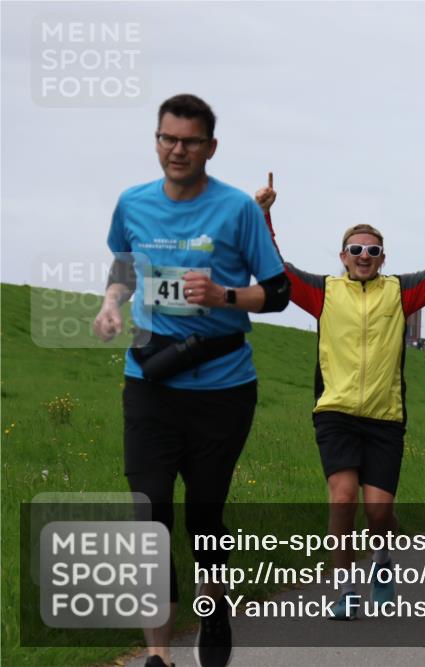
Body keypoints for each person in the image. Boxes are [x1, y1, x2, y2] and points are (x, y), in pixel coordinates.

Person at [92, 94, 291, 667]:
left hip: (222, 390)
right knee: (149, 512)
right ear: (156, 141)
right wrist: (111, 304)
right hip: (150, 381)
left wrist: (224, 295)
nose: (177, 150)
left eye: (190, 141)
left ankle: (215, 605)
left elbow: (277, 292)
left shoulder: (237, 210)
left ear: (211, 147)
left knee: (204, 516)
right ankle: (158, 654)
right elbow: (124, 265)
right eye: (168, 138)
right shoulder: (132, 202)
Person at [255, 173, 425, 620]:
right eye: (355, 249)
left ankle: (382, 560)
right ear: (343, 256)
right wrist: (263, 214)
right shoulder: (323, 292)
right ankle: (345, 588)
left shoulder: (400, 292)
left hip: (384, 417)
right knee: (342, 498)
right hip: (334, 412)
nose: (364, 256)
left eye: (372, 251)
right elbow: (274, 267)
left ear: (382, 258)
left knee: (379, 512)